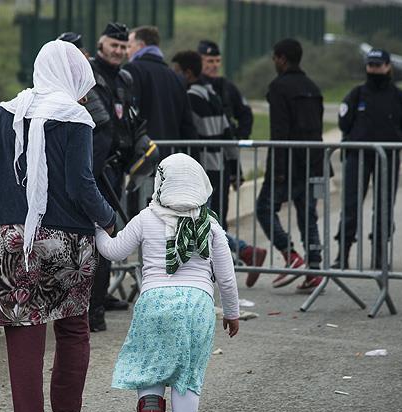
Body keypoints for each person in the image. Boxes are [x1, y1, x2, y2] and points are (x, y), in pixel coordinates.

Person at [0, 40, 116, 412]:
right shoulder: (76, 117)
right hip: (67, 243)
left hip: (12, 240)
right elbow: (80, 184)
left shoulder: (5, 112)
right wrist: (109, 218)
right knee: (73, 330)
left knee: (24, 340)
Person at [94, 153, 239, 412]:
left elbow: (114, 251)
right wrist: (232, 313)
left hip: (154, 301)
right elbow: (227, 279)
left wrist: (97, 228)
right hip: (198, 304)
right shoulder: (211, 225)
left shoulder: (146, 218)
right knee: (187, 375)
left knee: (151, 365)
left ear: (160, 184)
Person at [172, 50, 267, 287]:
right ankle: (240, 255)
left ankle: (243, 251)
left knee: (201, 223)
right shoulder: (211, 93)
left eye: (176, 71)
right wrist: (235, 167)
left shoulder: (191, 97)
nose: (174, 75)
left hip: (202, 167)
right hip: (219, 166)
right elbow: (228, 134)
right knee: (204, 222)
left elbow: (191, 133)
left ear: (187, 73)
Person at [65, 23, 136, 331]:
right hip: (94, 172)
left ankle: (97, 305)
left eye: (123, 46)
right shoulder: (89, 73)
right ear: (101, 44)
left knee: (106, 239)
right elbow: (99, 128)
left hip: (114, 171)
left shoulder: (125, 79)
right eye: (113, 45)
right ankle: (88, 311)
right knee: (92, 238)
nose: (118, 51)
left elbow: (129, 122)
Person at [255, 38, 328, 293]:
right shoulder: (313, 87)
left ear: (282, 59)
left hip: (288, 164)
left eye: (275, 58)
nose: (274, 62)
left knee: (264, 208)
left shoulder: (279, 87)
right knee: (308, 216)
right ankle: (315, 271)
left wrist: (277, 171)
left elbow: (279, 132)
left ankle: (290, 255)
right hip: (314, 162)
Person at [335, 48, 402, 269]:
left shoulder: (398, 97)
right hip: (357, 158)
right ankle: (342, 254)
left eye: (378, 65)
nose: (374, 69)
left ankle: (379, 256)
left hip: (387, 158)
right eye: (371, 65)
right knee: (350, 207)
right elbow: (344, 122)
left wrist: (391, 139)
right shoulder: (357, 94)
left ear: (388, 67)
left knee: (383, 208)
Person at [124, 25, 195, 217]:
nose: (126, 51)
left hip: (143, 159)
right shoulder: (175, 77)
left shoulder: (132, 70)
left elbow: (130, 114)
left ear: (140, 46)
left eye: (129, 46)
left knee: (139, 217)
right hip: (171, 161)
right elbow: (187, 124)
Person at [197, 40, 254, 141]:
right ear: (199, 62)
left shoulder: (227, 87)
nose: (215, 65)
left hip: (225, 144)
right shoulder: (192, 87)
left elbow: (245, 113)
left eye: (218, 61)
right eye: (210, 61)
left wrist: (240, 137)